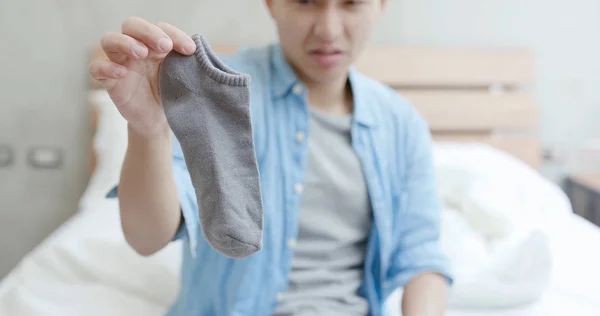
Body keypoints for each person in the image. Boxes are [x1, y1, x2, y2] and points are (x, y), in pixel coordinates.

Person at [88, 0, 453, 315]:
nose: (328, 30)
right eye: (305, 2)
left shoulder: (400, 124)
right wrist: (149, 131)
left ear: (381, 6)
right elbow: (147, 237)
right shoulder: (213, 92)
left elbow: (420, 257)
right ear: (271, 4)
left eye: (352, 3)